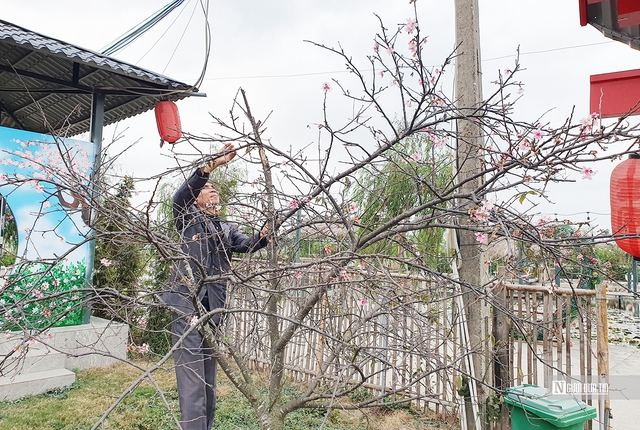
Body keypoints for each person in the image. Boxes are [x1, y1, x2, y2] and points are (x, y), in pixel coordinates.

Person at [162, 143, 268, 430]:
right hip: (188, 306)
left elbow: (247, 244)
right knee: (192, 379)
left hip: (213, 310)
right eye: (207, 188)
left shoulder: (226, 228)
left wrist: (264, 235)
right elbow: (180, 195)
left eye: (215, 188)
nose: (213, 190)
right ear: (196, 200)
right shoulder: (187, 218)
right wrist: (211, 166)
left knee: (208, 378)